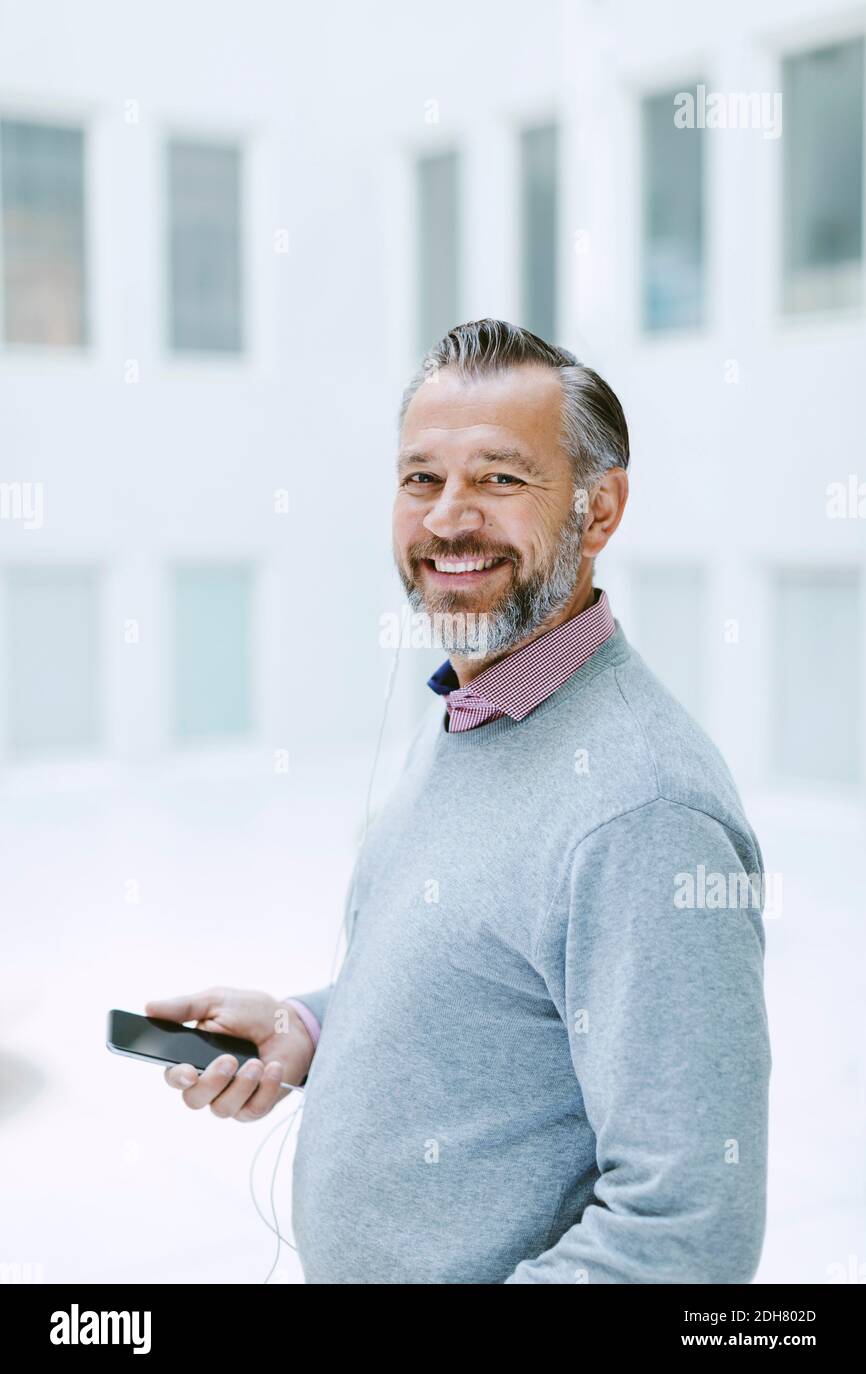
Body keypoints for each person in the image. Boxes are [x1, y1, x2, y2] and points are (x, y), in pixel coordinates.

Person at [148, 318, 771, 1284]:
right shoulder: (473, 704)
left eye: (499, 478)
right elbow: (493, 986)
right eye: (421, 479)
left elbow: (684, 1234)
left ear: (598, 513)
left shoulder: (645, 814)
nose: (446, 519)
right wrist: (307, 1029)